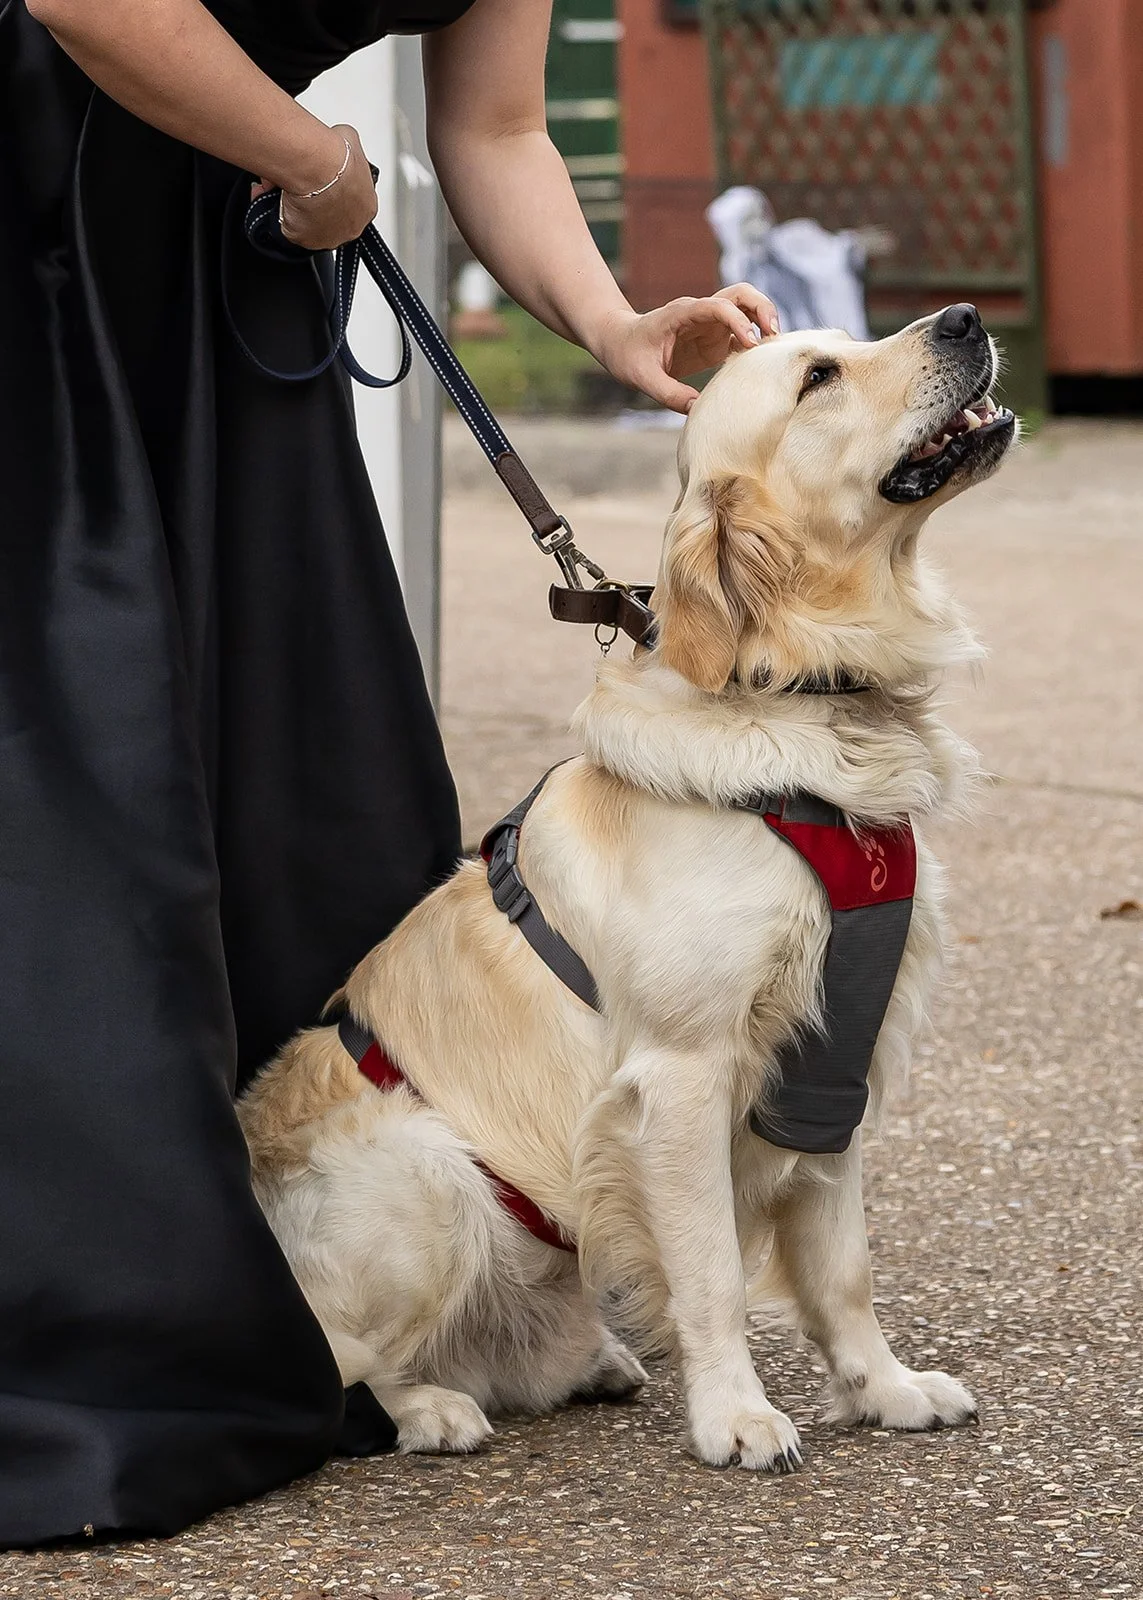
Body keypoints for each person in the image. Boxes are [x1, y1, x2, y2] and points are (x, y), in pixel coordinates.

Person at [0, 0, 776, 1545]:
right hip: (41, 202)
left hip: (228, 240)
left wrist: (611, 323)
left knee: (310, 768)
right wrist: (308, 155)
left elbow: (491, 127)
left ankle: (309, 1256)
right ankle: (100, 1295)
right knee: (75, 783)